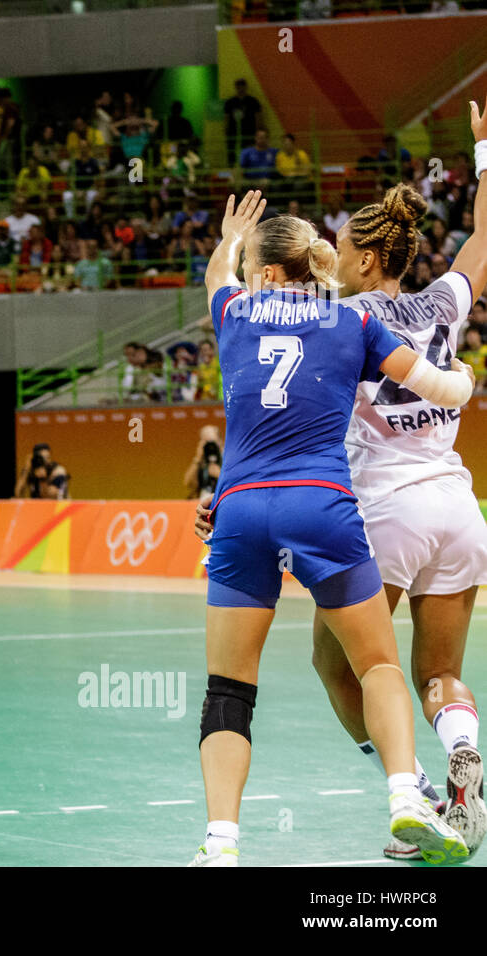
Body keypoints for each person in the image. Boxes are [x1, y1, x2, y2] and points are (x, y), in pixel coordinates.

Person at [189, 190, 475, 867]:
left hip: (241, 511)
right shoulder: (351, 322)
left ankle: (220, 844)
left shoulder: (233, 311)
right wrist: (462, 378)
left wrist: (230, 239)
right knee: (376, 663)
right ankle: (409, 797)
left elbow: (213, 277)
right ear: (314, 263)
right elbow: (435, 387)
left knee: (229, 689)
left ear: (261, 272)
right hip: (322, 507)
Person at [306, 170, 487, 858]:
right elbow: (485, 237)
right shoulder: (443, 302)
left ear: (369, 259)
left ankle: (418, 796)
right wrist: (483, 150)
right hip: (459, 509)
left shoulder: (344, 321)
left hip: (386, 513)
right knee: (436, 674)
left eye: (342, 247)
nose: (334, 255)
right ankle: (463, 752)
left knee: (335, 661)